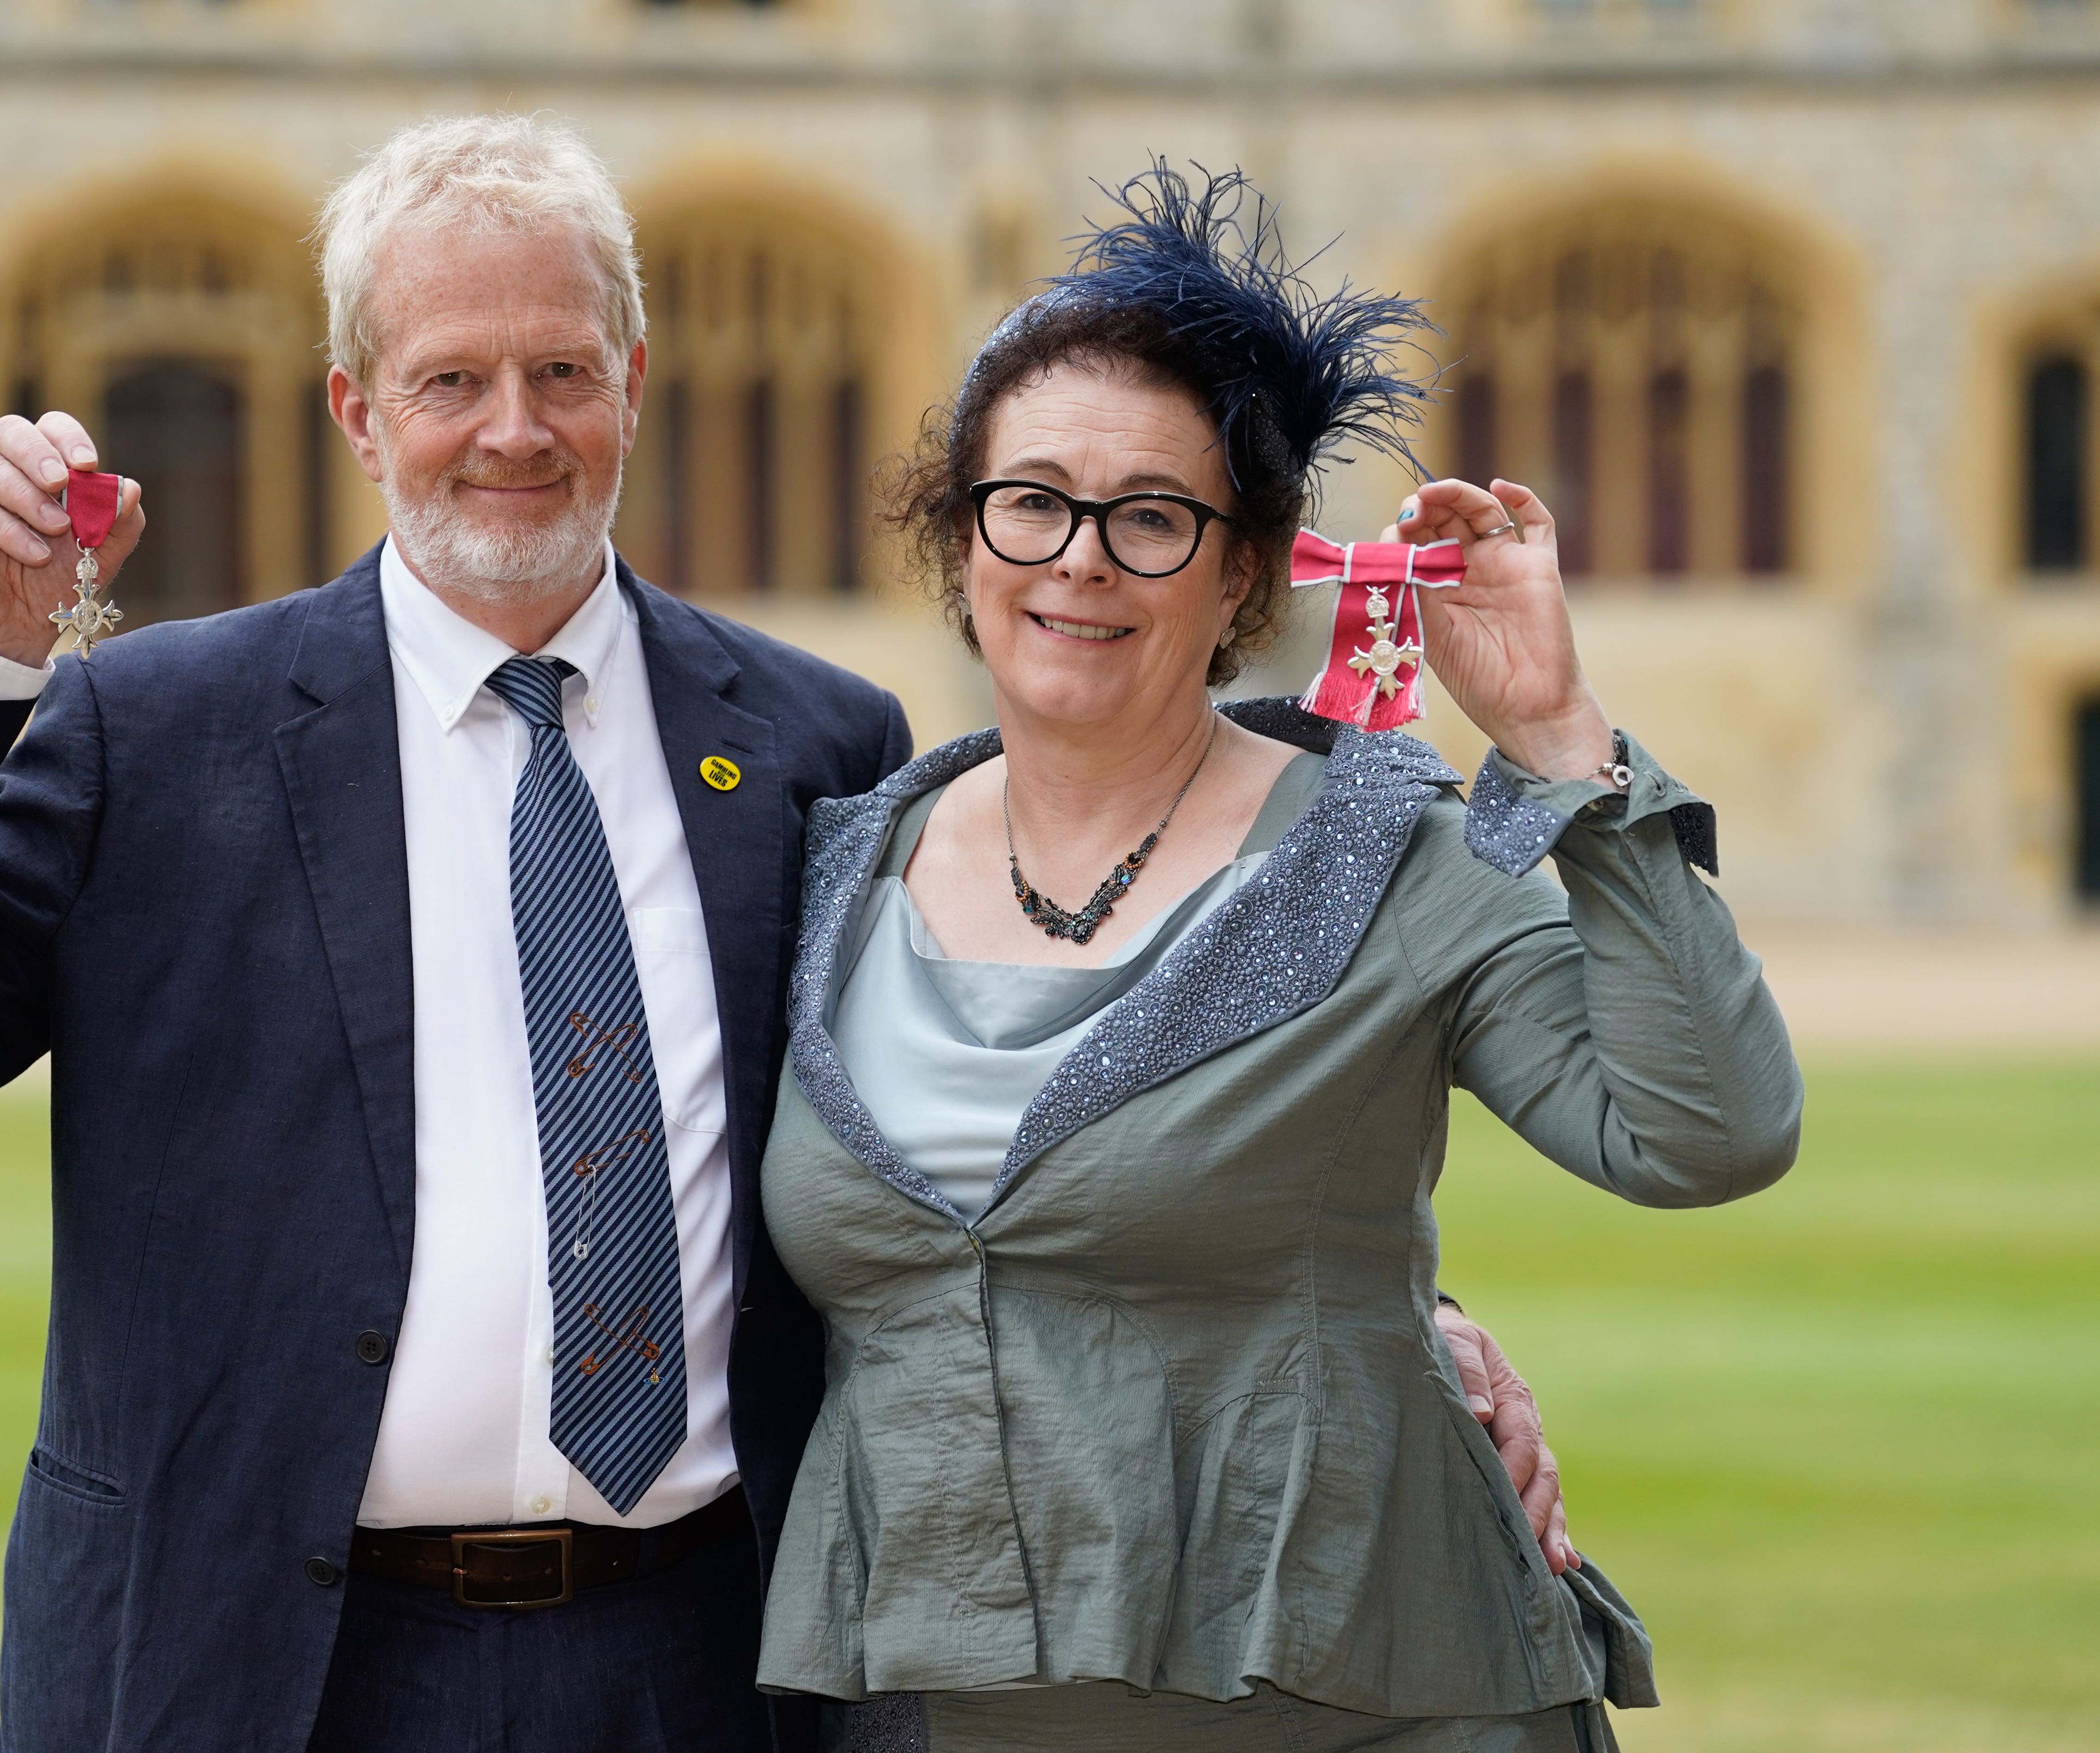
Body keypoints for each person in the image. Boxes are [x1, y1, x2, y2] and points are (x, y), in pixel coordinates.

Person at [0, 118, 1569, 1753]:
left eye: (560, 372)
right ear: (358, 410)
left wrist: (1395, 1310)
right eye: (449, 381)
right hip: (258, 1663)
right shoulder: (151, 737)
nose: (512, 432)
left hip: (706, 1659)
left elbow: (1034, 1124)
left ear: (635, 381)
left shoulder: (820, 740)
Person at [754, 167, 1804, 1752]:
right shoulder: (827, 866)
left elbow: (1704, 1132)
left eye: (1152, 516)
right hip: (943, 1710)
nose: (1080, 558)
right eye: (1029, 499)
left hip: (1373, 1697)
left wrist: (1554, 740)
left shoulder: (1384, 850)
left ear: (1244, 569)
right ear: (958, 534)